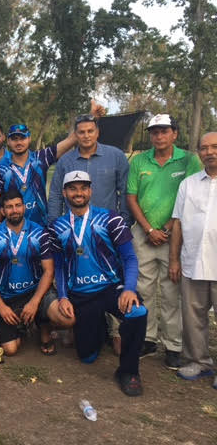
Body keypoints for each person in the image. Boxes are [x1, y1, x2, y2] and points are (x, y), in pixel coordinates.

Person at [48, 171, 146, 396]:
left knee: (138, 312)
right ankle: (99, 328)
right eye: (73, 188)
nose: (78, 193)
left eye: (83, 187)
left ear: (90, 191)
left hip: (112, 289)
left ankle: (128, 371)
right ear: (64, 193)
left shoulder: (110, 219)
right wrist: (63, 296)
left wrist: (129, 289)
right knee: (87, 357)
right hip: (81, 295)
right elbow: (60, 267)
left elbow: (129, 258)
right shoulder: (57, 227)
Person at [47, 108, 129, 354]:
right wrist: (54, 227)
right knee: (77, 275)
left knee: (114, 278)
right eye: (80, 132)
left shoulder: (115, 156)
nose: (85, 136)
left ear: (97, 132)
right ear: (76, 134)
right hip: (74, 231)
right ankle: (77, 325)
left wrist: (122, 223)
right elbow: (55, 195)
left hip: (107, 230)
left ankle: (116, 332)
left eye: (89, 131)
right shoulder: (66, 161)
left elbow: (123, 192)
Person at [127, 114, 202, 369]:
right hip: (143, 232)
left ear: (174, 134)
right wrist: (149, 229)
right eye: (154, 132)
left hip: (175, 234)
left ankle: (173, 345)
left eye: (163, 131)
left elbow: (190, 197)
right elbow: (131, 198)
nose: (158, 136)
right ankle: (147, 339)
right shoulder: (140, 161)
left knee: (172, 291)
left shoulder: (189, 160)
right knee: (144, 288)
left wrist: (167, 228)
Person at [0, 189, 58, 355]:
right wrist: (1, 306)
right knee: (9, 350)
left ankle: (43, 326)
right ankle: (22, 327)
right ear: (2, 211)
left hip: (35, 291)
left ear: (24, 207)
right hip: (8, 296)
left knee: (64, 316)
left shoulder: (40, 233)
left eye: (18, 205)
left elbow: (49, 270)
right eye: (9, 207)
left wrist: (34, 301)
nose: (14, 210)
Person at [169, 132, 217, 386]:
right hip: (192, 261)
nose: (209, 152)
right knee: (192, 316)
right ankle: (199, 362)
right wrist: (174, 260)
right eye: (204, 148)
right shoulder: (188, 184)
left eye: (214, 147)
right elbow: (177, 223)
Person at [0, 123, 77, 229]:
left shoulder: (41, 158)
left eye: (22, 138)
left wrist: (92, 116)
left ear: (29, 139)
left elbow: (71, 140)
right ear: (8, 142)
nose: (19, 142)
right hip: (13, 228)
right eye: (14, 139)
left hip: (41, 227)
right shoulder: (0, 169)